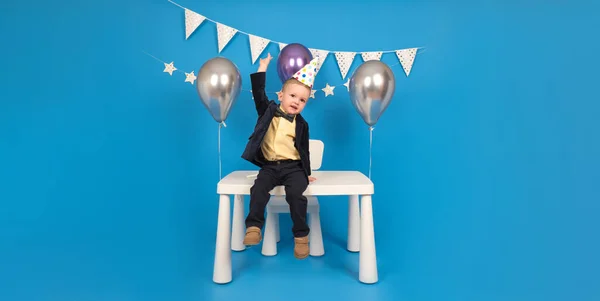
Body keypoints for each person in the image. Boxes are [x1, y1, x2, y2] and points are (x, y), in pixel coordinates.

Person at [241, 53, 320, 259]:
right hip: (269, 166)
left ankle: (301, 236)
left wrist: (306, 173)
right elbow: (258, 92)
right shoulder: (267, 111)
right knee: (258, 189)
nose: (297, 102)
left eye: (302, 100)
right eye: (293, 96)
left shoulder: (302, 124)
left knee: (296, 195)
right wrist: (262, 66)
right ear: (281, 95)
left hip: (293, 167)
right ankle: (253, 227)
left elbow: (304, 150)